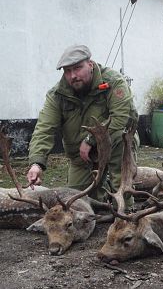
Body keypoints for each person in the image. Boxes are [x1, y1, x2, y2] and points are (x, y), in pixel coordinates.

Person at [27, 44, 139, 207]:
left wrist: (90, 140)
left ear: (90, 65)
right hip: (82, 157)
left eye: (78, 68)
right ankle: (101, 190)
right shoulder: (57, 95)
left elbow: (121, 117)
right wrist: (36, 163)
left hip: (114, 147)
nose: (73, 75)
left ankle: (125, 211)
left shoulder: (113, 82)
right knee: (75, 202)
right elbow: (44, 128)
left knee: (119, 142)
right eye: (67, 71)